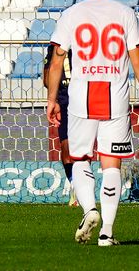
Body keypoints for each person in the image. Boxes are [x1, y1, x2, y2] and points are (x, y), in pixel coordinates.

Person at [47, 0, 139, 247]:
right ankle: (106, 232)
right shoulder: (125, 13)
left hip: (81, 96)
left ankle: (89, 210)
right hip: (115, 97)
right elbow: (137, 59)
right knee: (111, 164)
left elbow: (57, 59)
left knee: (80, 159)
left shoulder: (71, 14)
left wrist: (51, 99)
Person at [43, 45, 78, 207]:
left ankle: (80, 185)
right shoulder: (54, 48)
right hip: (64, 101)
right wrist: (54, 98)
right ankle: (74, 185)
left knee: (81, 148)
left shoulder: (82, 43)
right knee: (66, 146)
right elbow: (45, 78)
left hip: (81, 98)